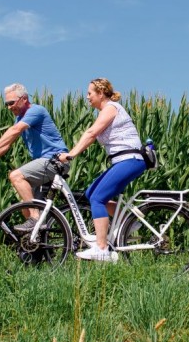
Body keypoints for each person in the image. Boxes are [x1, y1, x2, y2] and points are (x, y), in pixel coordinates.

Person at [58, 77, 147, 262]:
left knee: (98, 198)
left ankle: (102, 248)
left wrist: (71, 154)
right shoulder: (106, 110)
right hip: (124, 160)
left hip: (129, 159)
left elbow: (91, 133)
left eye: (90, 93)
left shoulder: (111, 108)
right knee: (91, 194)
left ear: (100, 93)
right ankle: (129, 221)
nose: (87, 97)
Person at [0, 83, 67, 231]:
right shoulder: (20, 118)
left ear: (24, 99)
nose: (9, 107)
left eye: (11, 103)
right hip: (44, 163)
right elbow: (7, 145)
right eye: (6, 104)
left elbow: (15, 130)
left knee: (16, 176)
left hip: (54, 159)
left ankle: (36, 219)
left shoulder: (36, 111)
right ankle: (38, 240)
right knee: (26, 206)